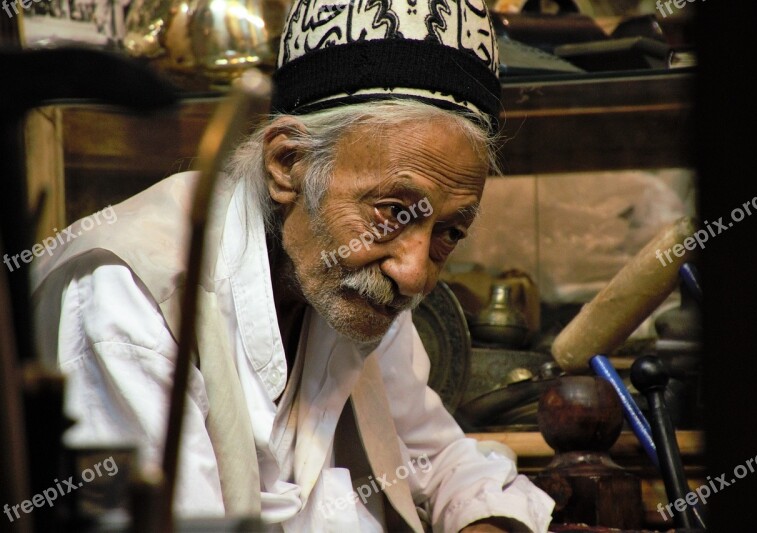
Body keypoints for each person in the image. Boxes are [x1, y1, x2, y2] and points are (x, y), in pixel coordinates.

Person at [32, 0, 556, 530]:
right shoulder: (129, 296)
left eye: (448, 232)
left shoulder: (356, 285)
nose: (416, 273)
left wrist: (485, 522)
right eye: (393, 212)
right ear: (287, 165)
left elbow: (441, 461)